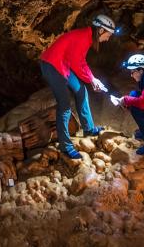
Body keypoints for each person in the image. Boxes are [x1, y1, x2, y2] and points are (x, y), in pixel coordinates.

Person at [39, 14, 116, 159]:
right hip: (51, 65)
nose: (108, 39)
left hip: (63, 65)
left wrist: (93, 79)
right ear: (100, 30)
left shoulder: (86, 37)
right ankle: (65, 146)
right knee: (64, 106)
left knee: (81, 90)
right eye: (108, 35)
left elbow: (80, 61)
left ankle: (89, 128)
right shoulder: (83, 37)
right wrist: (92, 80)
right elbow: (76, 64)